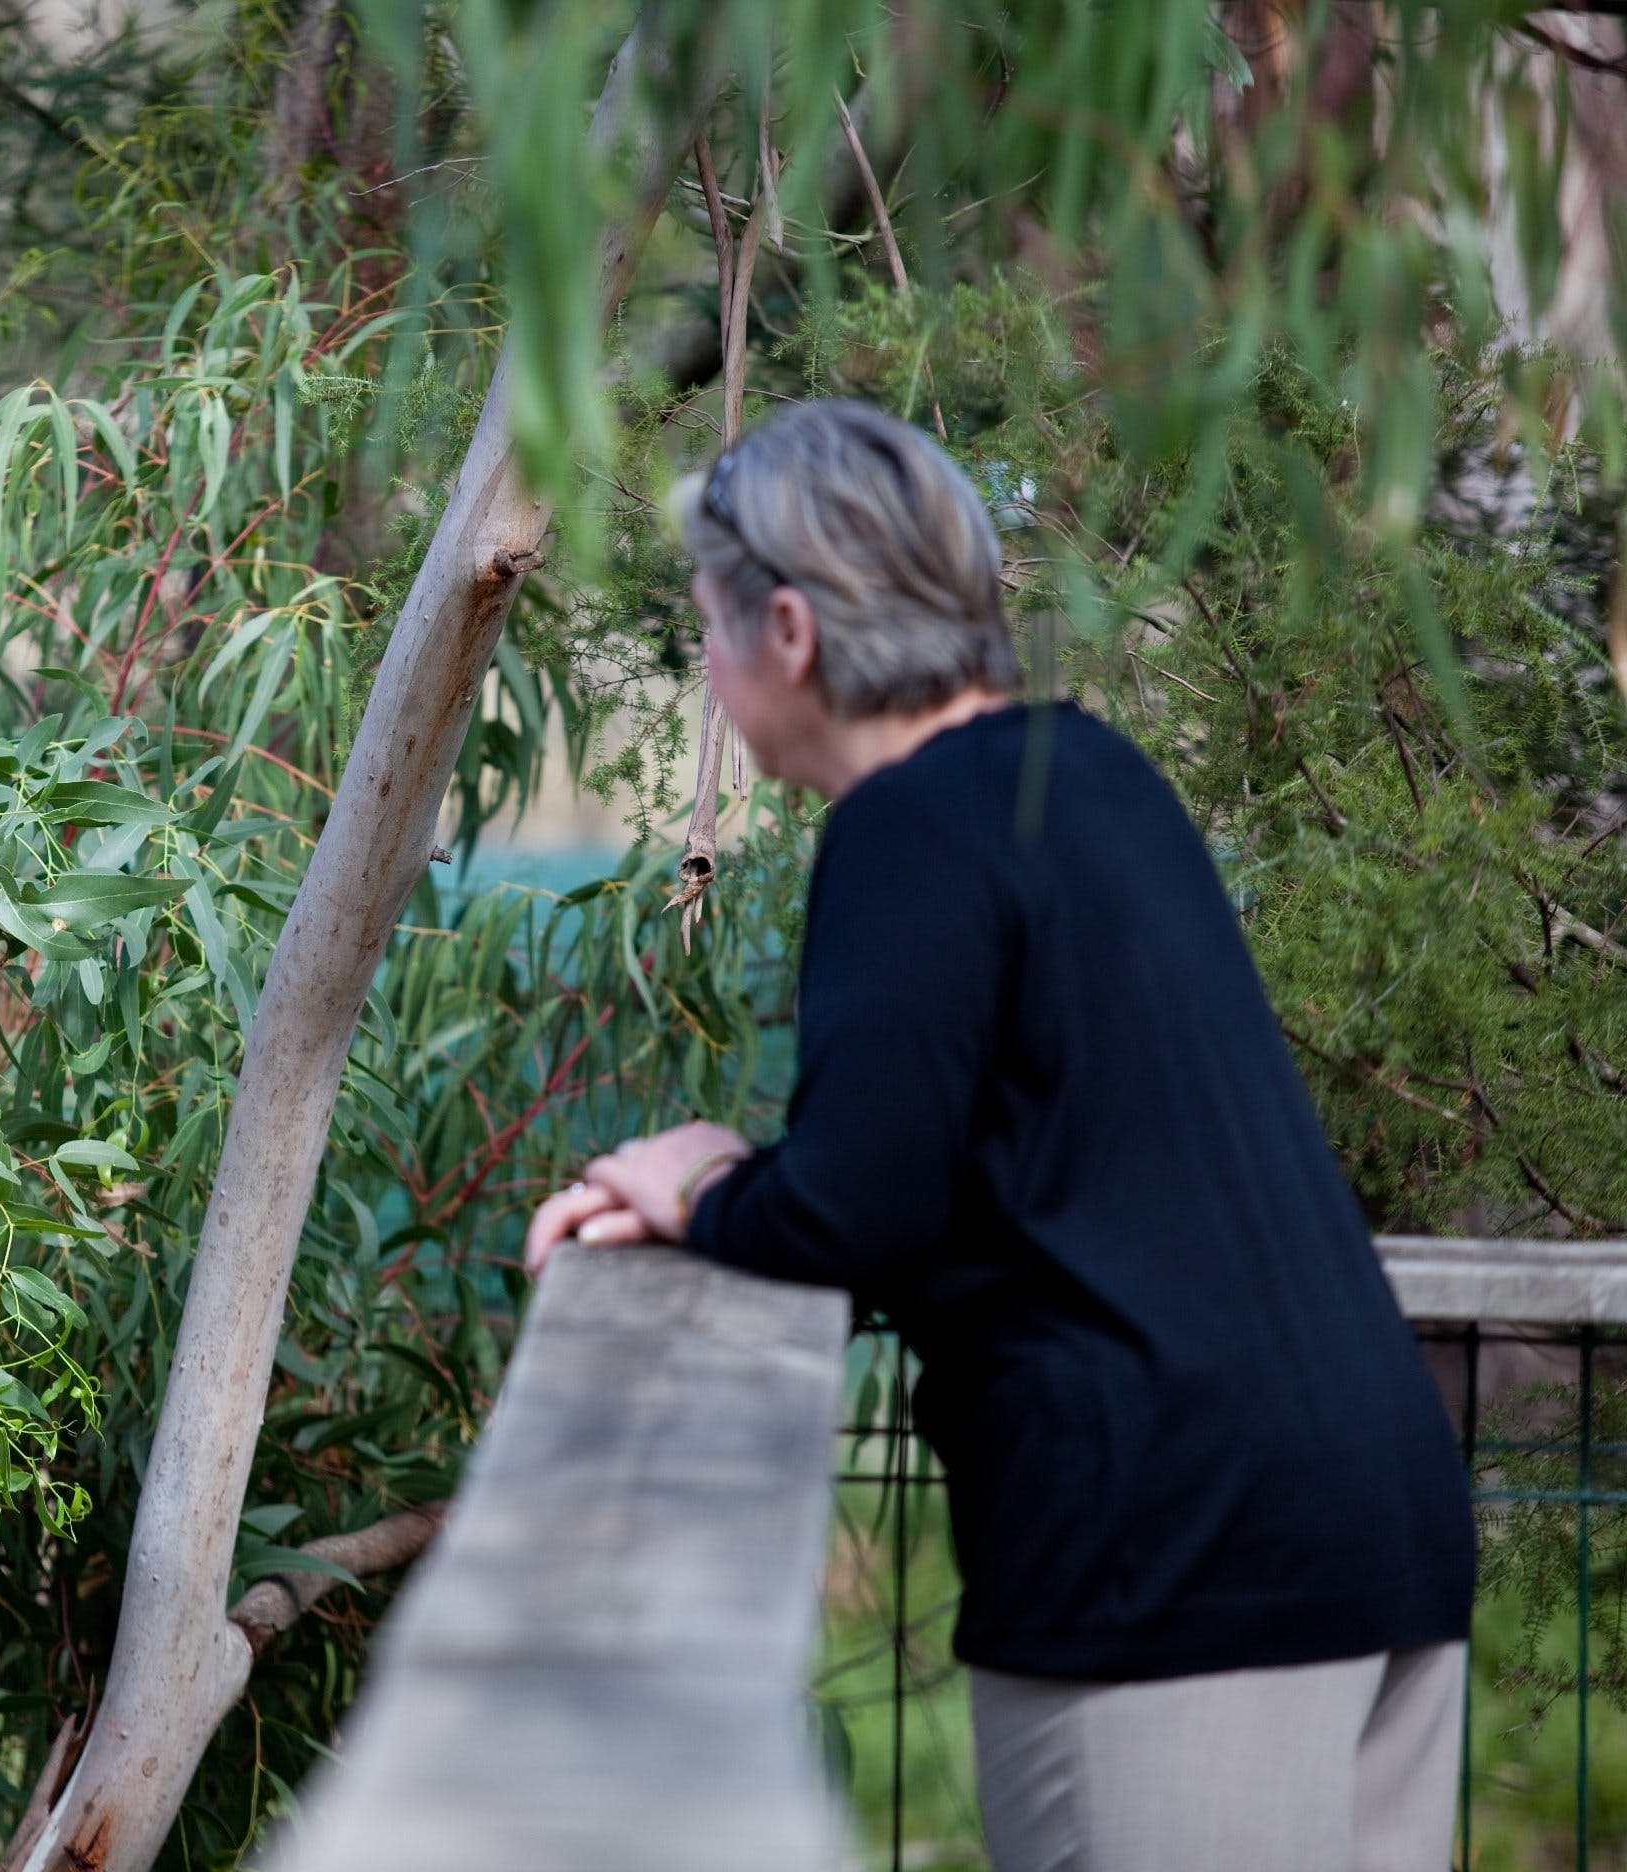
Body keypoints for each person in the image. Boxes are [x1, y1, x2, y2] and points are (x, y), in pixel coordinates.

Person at [524, 399, 1475, 1872]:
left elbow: (856, 1207)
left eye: (708, 630)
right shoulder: (1088, 775)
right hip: (1381, 1524)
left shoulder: (910, 828)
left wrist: (700, 1183)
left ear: (787, 630)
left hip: (1172, 1571)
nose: (707, 676)